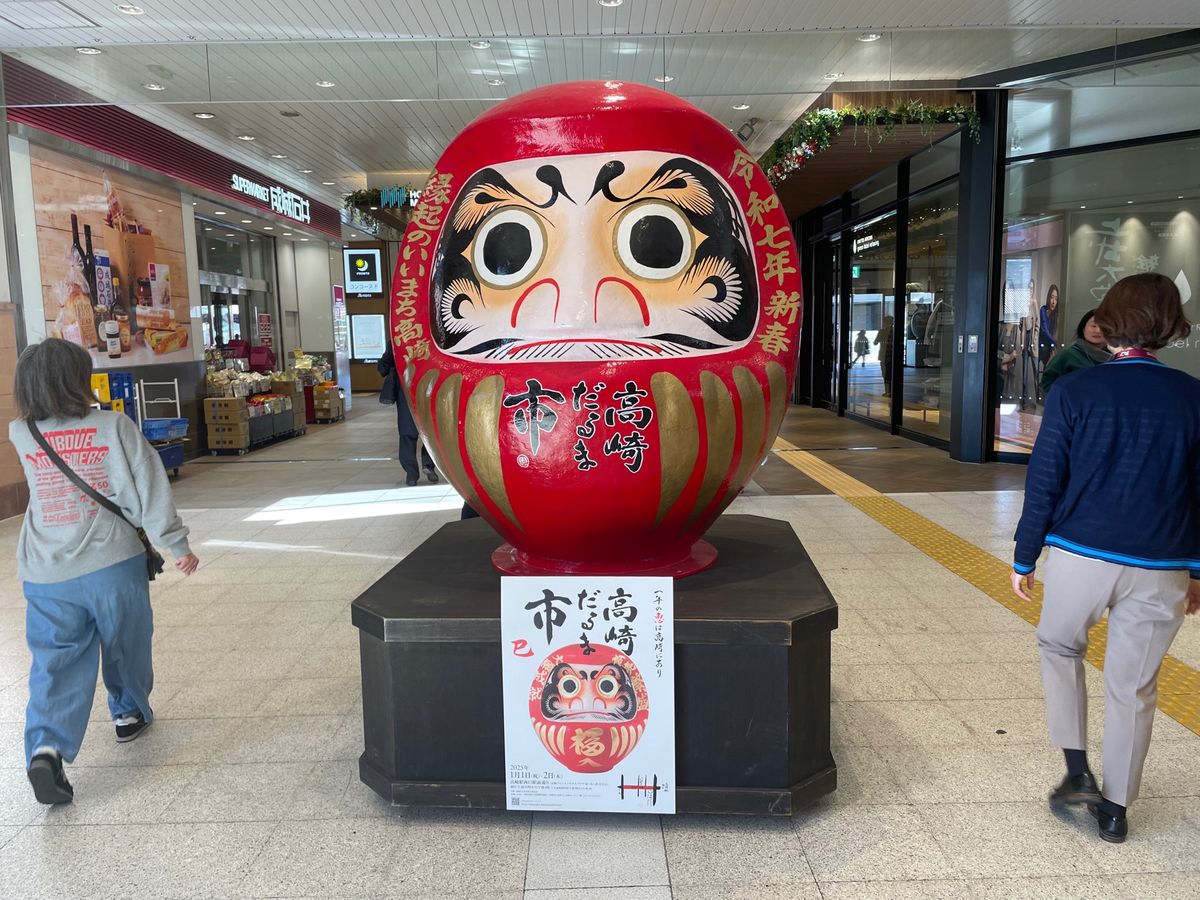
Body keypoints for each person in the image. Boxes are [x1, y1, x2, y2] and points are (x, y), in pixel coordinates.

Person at [1011, 273, 1200, 844]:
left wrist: (1024, 558)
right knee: (1133, 687)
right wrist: (1196, 572)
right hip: (1162, 564)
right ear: (1170, 325)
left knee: (1059, 645)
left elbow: (1045, 482)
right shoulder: (1193, 397)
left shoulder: (1076, 392)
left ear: (1109, 321)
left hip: (1080, 555)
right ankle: (1115, 810)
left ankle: (1076, 771)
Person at [9, 339, 199, 805]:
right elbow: (148, 488)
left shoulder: (21, 432)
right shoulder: (113, 425)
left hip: (44, 569)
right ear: (76, 379)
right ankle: (128, 712)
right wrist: (175, 544)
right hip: (111, 563)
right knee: (125, 641)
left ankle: (47, 749)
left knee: (55, 659)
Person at [377, 344, 438, 487]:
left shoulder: (397, 338)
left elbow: (382, 367)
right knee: (430, 433)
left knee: (409, 434)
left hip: (409, 393)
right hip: (428, 390)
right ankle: (427, 467)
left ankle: (412, 473)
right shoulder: (431, 337)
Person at [1041, 309, 1111, 393]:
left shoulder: (1116, 358)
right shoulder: (1067, 356)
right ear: (1083, 328)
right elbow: (1047, 382)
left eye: (1103, 326)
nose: (1098, 330)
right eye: (1093, 326)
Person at [1038, 285, 1060, 368]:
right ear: (1048, 298)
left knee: (1055, 355)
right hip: (1041, 346)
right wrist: (1055, 343)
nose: (1054, 302)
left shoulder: (1055, 315)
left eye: (1056, 299)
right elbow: (1045, 330)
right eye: (1052, 297)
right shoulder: (1043, 310)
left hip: (1049, 346)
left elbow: (1053, 333)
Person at [874, 316, 893, 397]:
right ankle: (892, 391)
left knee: (885, 374)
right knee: (892, 374)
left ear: (884, 322)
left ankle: (887, 391)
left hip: (884, 355)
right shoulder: (894, 331)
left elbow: (875, 342)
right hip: (893, 355)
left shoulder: (882, 331)